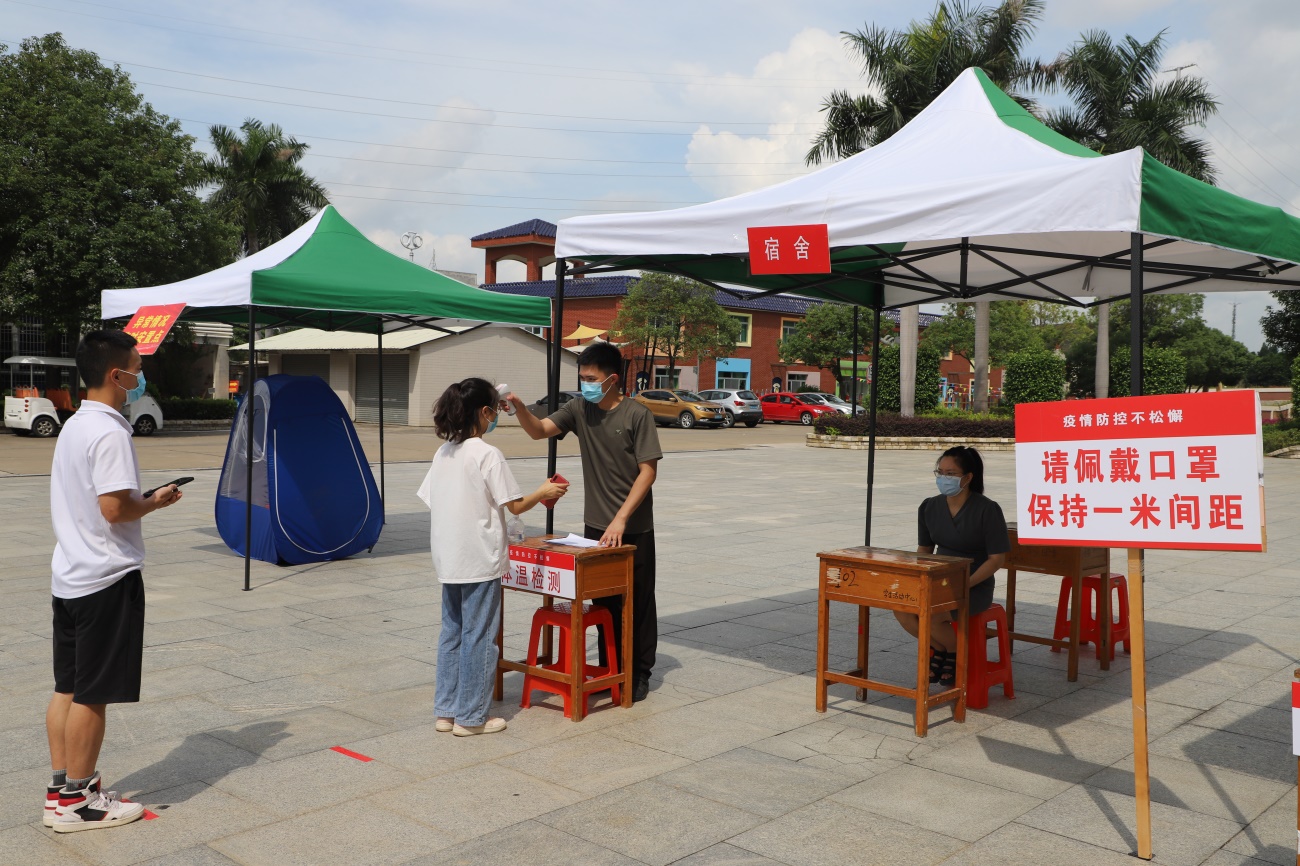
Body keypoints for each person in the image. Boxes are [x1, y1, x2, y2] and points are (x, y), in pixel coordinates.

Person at [45, 330, 185, 832]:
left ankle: (60, 791)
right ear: (116, 375)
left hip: (70, 576)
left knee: (67, 687)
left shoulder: (74, 425)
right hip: (106, 578)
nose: (140, 377)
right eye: (136, 369)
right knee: (93, 694)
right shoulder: (110, 431)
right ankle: (79, 802)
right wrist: (155, 501)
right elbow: (114, 508)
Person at [507, 342, 662, 702]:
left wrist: (621, 519)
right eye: (583, 378)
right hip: (595, 527)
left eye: (591, 379)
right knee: (604, 603)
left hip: (633, 527)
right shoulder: (579, 409)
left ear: (612, 378)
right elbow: (539, 430)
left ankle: (639, 673)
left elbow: (648, 471)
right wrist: (519, 408)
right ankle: (612, 669)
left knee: (637, 602)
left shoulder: (637, 415)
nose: (586, 384)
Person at [425, 377, 568, 736]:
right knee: (480, 636)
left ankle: (446, 711)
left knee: (452, 634)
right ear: (486, 412)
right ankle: (472, 717)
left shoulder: (444, 452)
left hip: (448, 558)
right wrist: (544, 491)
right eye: (496, 410)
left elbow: (434, 498)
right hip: (478, 558)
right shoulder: (487, 454)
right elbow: (515, 505)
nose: (497, 417)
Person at [895, 446, 1008, 687]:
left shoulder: (987, 509)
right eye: (940, 472)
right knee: (902, 608)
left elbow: (997, 559)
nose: (944, 478)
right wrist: (916, 576)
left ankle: (957, 652)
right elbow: (925, 549)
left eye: (951, 473)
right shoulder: (929, 506)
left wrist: (966, 583)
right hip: (939, 578)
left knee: (934, 613)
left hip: (974, 584)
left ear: (968, 477)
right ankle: (942, 648)